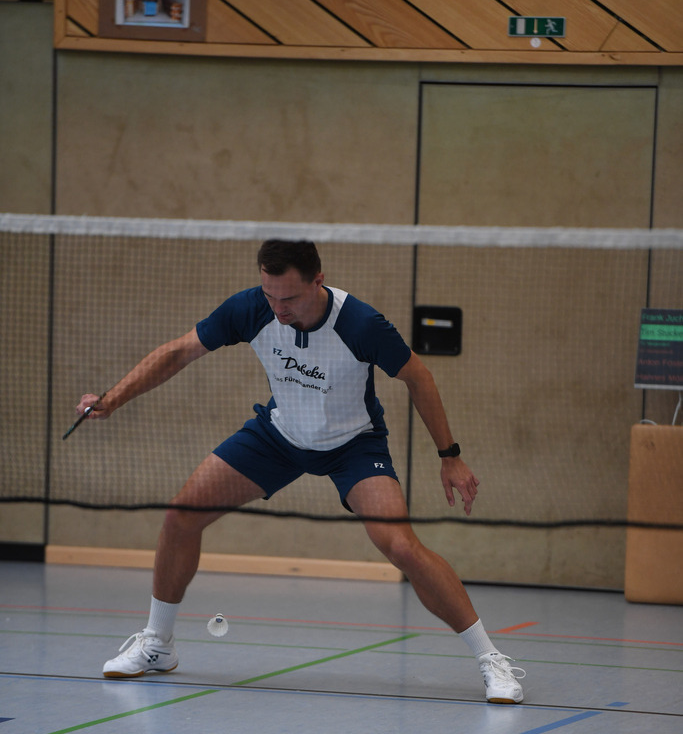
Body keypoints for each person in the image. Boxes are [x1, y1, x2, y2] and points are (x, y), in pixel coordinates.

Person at [76, 240, 525, 703]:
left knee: (401, 546)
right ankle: (158, 644)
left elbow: (418, 377)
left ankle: (490, 658)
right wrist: (111, 399)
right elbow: (178, 352)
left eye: (288, 298)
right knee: (180, 516)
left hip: (353, 445)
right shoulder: (252, 308)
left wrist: (449, 455)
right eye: (270, 295)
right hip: (279, 437)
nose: (278, 307)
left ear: (318, 280)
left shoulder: (361, 324)